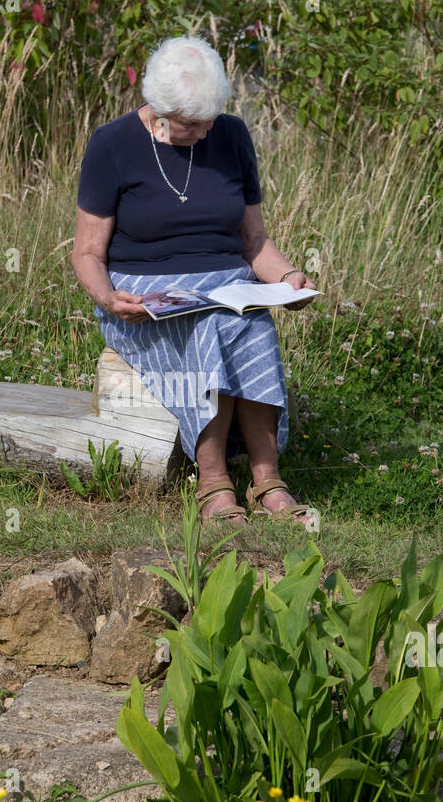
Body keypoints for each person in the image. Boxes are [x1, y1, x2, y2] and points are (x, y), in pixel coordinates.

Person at [71, 35, 317, 527]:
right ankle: (213, 483)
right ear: (159, 112)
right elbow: (87, 252)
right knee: (213, 326)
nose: (205, 133)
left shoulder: (231, 135)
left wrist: (288, 278)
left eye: (210, 121)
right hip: (145, 297)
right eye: (191, 124)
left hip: (228, 285)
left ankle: (268, 479)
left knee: (250, 325)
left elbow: (254, 242)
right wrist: (107, 297)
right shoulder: (113, 144)